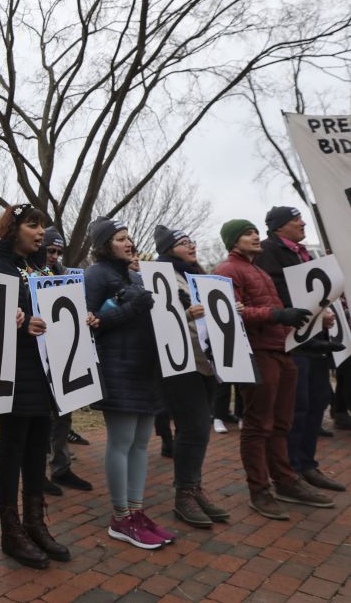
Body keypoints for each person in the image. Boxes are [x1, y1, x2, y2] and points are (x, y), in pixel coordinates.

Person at [213, 220, 332, 519]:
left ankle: (286, 481)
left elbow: (277, 317)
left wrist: (305, 343)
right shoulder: (227, 270)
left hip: (280, 352)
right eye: (247, 233)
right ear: (232, 241)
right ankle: (259, 490)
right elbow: (229, 313)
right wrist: (277, 314)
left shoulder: (259, 270)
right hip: (257, 353)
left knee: (281, 423)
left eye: (255, 231)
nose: (255, 236)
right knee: (258, 425)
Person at [0, 206, 71, 570]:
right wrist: (22, 321)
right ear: (12, 229)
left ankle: (36, 524)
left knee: (37, 448)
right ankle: (10, 530)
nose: (41, 233)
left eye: (43, 226)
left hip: (45, 373)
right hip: (13, 371)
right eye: (33, 225)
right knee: (13, 448)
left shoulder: (42, 267)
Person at [84, 217, 174, 550]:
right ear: (105, 244)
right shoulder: (95, 275)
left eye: (129, 237)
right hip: (117, 368)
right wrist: (129, 309)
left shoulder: (136, 275)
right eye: (121, 238)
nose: (129, 243)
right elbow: (89, 321)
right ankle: (120, 517)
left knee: (141, 443)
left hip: (145, 368)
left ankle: (137, 511)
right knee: (121, 441)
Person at [254, 206, 344, 492]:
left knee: (318, 399)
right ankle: (289, 468)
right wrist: (313, 310)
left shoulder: (304, 253)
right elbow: (278, 292)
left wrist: (323, 311)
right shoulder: (268, 251)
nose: (303, 224)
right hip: (291, 340)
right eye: (296, 221)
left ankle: (307, 463)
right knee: (297, 406)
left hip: (313, 337)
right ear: (280, 227)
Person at [151, 225, 230, 528]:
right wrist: (188, 314)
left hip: (208, 360)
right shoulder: (160, 274)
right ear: (169, 248)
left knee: (200, 428)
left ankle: (195, 488)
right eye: (183, 243)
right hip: (181, 362)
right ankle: (183, 495)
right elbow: (159, 317)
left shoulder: (196, 275)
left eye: (191, 241)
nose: (191, 246)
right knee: (192, 426)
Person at [40, 228, 93, 496]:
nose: (55, 256)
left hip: (63, 354)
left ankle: (60, 467)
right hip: (38, 357)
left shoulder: (66, 276)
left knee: (63, 414)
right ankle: (37, 474)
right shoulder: (28, 272)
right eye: (51, 250)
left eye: (58, 252)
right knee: (41, 419)